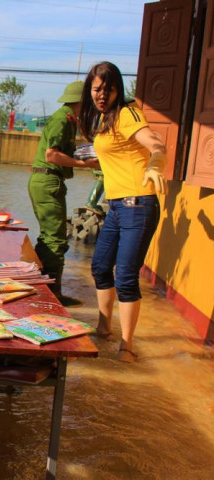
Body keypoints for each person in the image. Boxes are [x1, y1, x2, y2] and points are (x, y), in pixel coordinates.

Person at [78, 61, 167, 363]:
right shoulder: (105, 119)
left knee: (126, 276)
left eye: (109, 88)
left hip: (138, 204)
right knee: (101, 267)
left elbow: (156, 144)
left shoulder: (128, 114)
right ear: (90, 91)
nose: (102, 94)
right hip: (116, 206)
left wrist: (155, 164)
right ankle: (104, 329)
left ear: (118, 89)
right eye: (97, 89)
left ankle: (127, 346)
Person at [27, 81, 100, 306]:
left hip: (47, 181)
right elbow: (52, 156)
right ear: (83, 101)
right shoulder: (62, 119)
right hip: (48, 180)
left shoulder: (68, 118)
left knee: (50, 237)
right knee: (56, 239)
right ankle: (51, 295)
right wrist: (85, 163)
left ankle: (43, 289)